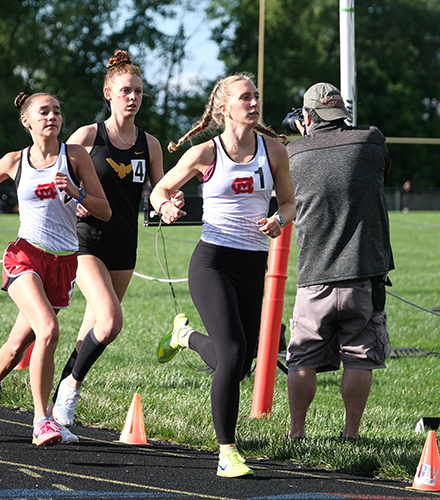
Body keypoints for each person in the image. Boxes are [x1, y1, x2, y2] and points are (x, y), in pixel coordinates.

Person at [150, 73, 296, 478]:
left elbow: (289, 203)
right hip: (212, 262)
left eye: (256, 96)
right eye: (245, 97)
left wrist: (279, 220)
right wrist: (166, 207)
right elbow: (159, 190)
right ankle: (227, 452)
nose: (254, 103)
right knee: (231, 354)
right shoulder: (204, 153)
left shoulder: (274, 151)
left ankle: (185, 337)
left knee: (240, 362)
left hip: (253, 264)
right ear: (223, 108)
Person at [0, 92, 111, 446]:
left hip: (63, 263)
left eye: (57, 112)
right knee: (48, 329)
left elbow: (104, 210)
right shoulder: (14, 160)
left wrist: (77, 192)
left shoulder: (74, 156)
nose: (52, 117)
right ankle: (41, 420)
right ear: (26, 121)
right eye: (44, 112)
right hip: (26, 256)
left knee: (18, 344)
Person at [50, 49, 183, 427]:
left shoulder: (149, 143)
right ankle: (71, 389)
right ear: (108, 93)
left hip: (125, 245)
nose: (133, 97)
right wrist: (73, 200)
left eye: (138, 91)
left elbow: (158, 190)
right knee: (110, 322)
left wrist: (167, 204)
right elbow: (54, 180)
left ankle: (58, 405)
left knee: (93, 331)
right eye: (126, 90)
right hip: (86, 241)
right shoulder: (88, 136)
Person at [285, 83, 394, 441]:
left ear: (307, 117)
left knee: (302, 357)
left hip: (313, 276)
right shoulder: (372, 140)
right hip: (364, 274)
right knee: (360, 356)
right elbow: (379, 174)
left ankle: (296, 433)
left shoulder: (292, 153)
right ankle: (351, 434)